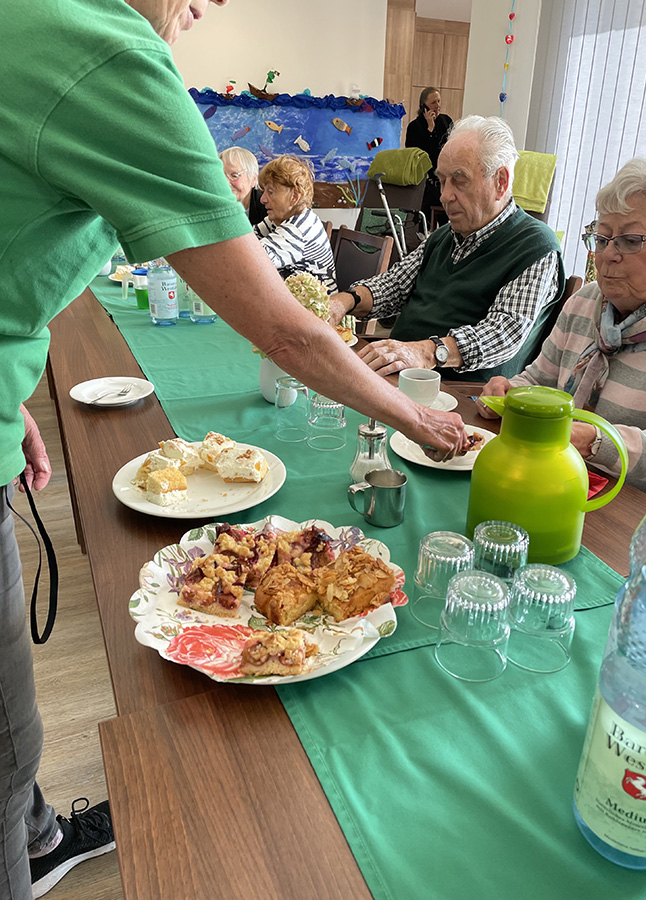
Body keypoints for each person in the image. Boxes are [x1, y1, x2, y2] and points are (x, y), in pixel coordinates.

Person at [1, 4, 470, 897]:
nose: (205, 4)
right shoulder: (105, 52)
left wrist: (11, 381)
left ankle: (36, 839)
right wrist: (412, 419)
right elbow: (289, 337)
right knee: (7, 734)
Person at [477, 155, 646, 495]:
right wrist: (509, 391)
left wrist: (598, 442)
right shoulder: (586, 302)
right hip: (557, 482)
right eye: (601, 238)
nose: (607, 255)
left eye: (631, 240)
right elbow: (538, 379)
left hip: (638, 517)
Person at [329, 115, 565, 383]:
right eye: (442, 181)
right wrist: (343, 301)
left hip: (459, 396)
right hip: (400, 376)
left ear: (500, 182)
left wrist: (427, 352)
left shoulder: (536, 247)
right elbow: (393, 286)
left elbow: (502, 334)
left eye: (459, 180)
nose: (444, 195)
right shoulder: (443, 236)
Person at [254, 155, 338, 293]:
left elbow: (250, 261)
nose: (262, 199)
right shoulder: (280, 218)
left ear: (294, 197)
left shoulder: (298, 229)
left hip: (315, 310)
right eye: (264, 192)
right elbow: (249, 240)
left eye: (271, 192)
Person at [405, 86, 453, 225]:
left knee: (447, 224)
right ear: (423, 105)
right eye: (433, 103)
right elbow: (419, 155)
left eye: (439, 101)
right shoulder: (415, 127)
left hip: (444, 181)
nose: (437, 106)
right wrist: (430, 130)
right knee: (424, 224)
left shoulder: (446, 121)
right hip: (426, 184)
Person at [219, 146, 266, 225]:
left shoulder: (266, 207)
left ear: (253, 179)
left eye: (234, 176)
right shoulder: (210, 206)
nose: (226, 182)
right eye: (220, 175)